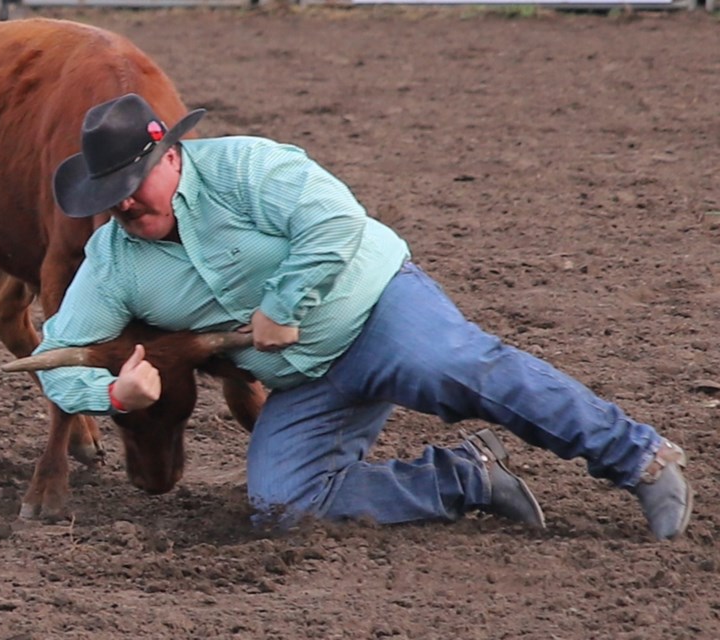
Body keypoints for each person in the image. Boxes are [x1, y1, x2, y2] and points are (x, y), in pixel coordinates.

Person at [35, 93, 692, 540]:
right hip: (306, 383)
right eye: (109, 195)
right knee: (281, 507)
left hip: (378, 306)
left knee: (458, 365)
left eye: (131, 186)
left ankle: (640, 458)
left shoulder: (247, 168)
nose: (121, 207)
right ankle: (466, 478)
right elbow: (59, 355)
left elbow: (334, 221)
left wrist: (283, 302)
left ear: (171, 156)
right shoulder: (114, 261)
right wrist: (113, 394)